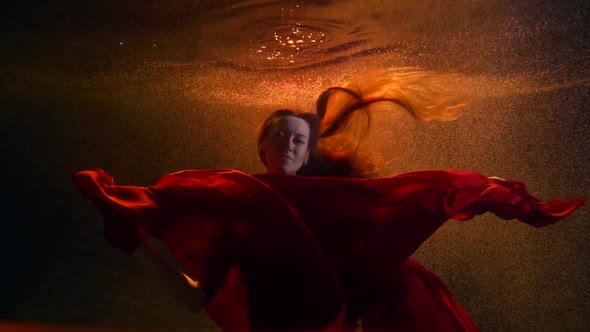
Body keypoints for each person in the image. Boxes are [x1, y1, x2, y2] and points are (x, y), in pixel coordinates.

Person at [73, 68, 584, 332]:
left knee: (403, 280)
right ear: (261, 146)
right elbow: (192, 300)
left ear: (308, 150)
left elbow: (402, 201)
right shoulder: (231, 200)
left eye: (299, 139)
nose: (289, 145)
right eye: (279, 136)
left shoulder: (333, 201)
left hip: (327, 319)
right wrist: (133, 240)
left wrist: (481, 186)